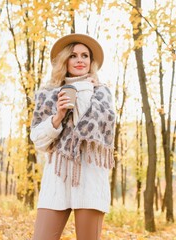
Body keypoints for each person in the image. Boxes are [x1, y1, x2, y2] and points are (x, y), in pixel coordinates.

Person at [30, 33, 116, 240]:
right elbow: (38, 140)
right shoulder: (47, 94)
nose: (79, 60)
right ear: (65, 60)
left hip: (91, 177)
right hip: (58, 176)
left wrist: (86, 87)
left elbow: (96, 130)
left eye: (85, 56)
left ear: (90, 62)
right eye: (74, 55)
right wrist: (57, 116)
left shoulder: (102, 94)